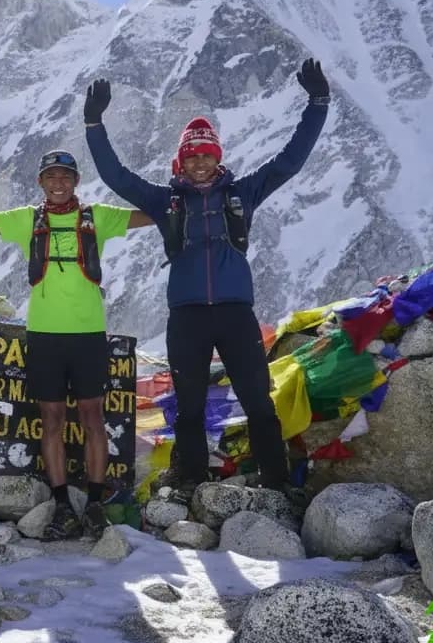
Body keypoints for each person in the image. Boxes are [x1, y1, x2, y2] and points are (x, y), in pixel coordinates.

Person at [82, 59, 330, 499]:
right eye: (192, 156)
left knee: (257, 399)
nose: (200, 163)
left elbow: (290, 160)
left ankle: (273, 480)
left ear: (218, 159)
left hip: (236, 313)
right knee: (189, 404)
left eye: (207, 156)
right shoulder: (166, 202)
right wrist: (94, 124)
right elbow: (116, 177)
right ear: (181, 161)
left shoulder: (243, 193)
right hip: (188, 316)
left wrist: (317, 103)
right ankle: (192, 479)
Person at [0, 149, 153, 539]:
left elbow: (150, 215)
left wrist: (182, 194)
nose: (58, 183)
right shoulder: (28, 219)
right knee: (53, 422)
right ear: (41, 183)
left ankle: (94, 505)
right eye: (51, 177)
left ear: (76, 181)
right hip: (44, 335)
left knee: (94, 421)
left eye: (65, 176)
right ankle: (63, 505)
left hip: (89, 335)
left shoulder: (98, 217)